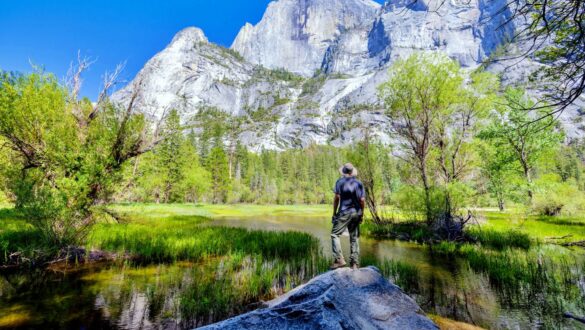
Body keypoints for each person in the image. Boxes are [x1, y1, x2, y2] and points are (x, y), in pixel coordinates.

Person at [330, 163, 365, 270]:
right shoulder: (359, 183)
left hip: (344, 212)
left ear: (344, 172)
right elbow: (362, 200)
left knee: (335, 234)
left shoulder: (340, 182)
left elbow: (336, 198)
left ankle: (339, 259)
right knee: (354, 238)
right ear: (352, 171)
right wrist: (361, 214)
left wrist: (334, 213)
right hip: (356, 213)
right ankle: (354, 264)